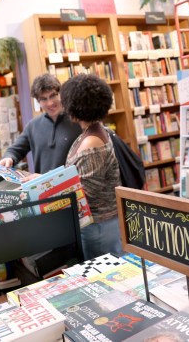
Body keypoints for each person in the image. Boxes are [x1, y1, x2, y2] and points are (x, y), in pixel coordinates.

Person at [60, 74, 123, 258]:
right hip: (100, 224)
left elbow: (83, 193)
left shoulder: (92, 144)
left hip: (99, 226)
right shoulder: (93, 132)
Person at [0, 73, 82, 173]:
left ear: (61, 94)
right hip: (43, 187)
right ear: (38, 101)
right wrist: (9, 158)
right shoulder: (32, 126)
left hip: (73, 186)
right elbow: (14, 150)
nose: (50, 103)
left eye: (53, 96)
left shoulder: (78, 121)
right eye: (43, 99)